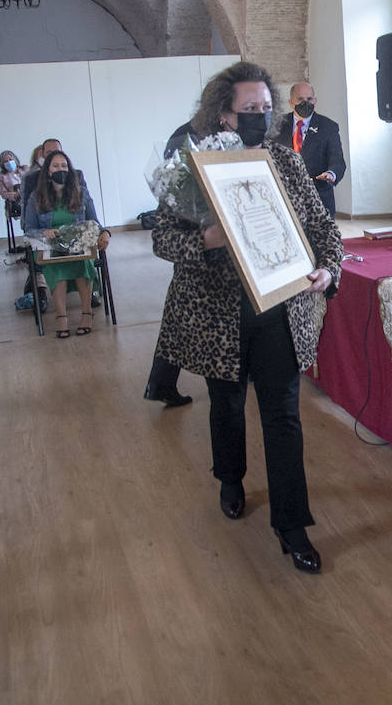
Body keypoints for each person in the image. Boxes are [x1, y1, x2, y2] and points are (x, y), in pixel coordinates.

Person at [151, 60, 343, 574]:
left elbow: (323, 228)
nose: (261, 116)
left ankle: (292, 524)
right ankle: (231, 479)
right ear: (223, 114)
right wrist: (204, 239)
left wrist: (327, 268)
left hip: (279, 307)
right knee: (227, 405)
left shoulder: (288, 162)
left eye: (266, 108)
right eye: (249, 109)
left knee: (283, 415)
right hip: (218, 312)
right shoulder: (194, 167)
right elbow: (162, 238)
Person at [22, 150, 110, 337]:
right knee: (56, 267)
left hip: (79, 245)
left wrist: (105, 233)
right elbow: (28, 229)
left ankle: (87, 313)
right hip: (52, 246)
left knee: (83, 263)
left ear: (69, 170)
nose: (60, 169)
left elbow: (94, 222)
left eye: (64, 166)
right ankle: (61, 317)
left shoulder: (81, 193)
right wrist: (44, 232)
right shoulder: (35, 197)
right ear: (48, 171)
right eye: (56, 166)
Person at [273, 82, 346, 219]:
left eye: (309, 99)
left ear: (315, 101)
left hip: (319, 197)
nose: (305, 103)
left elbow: (338, 161)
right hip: (286, 196)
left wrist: (331, 174)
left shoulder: (328, 127)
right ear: (291, 102)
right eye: (300, 99)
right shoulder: (277, 124)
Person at [0, 149, 23, 218]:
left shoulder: (24, 169)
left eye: (10, 159)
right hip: (15, 201)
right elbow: (3, 194)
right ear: (2, 164)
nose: (9, 162)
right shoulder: (1, 176)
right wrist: (16, 194)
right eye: (5, 161)